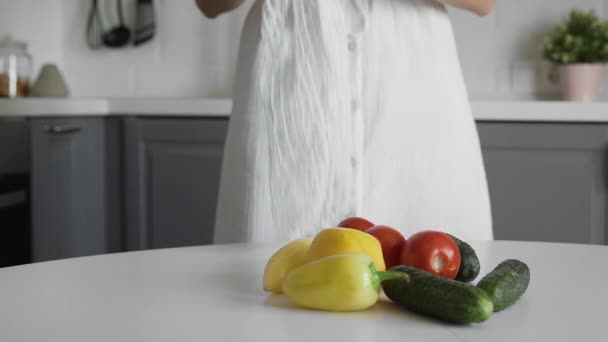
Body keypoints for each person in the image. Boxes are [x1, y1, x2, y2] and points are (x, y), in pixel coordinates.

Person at [195, 0, 496, 244]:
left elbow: (484, 3)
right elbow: (210, 4)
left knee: (430, 287)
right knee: (265, 288)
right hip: (290, 92)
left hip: (408, 99)